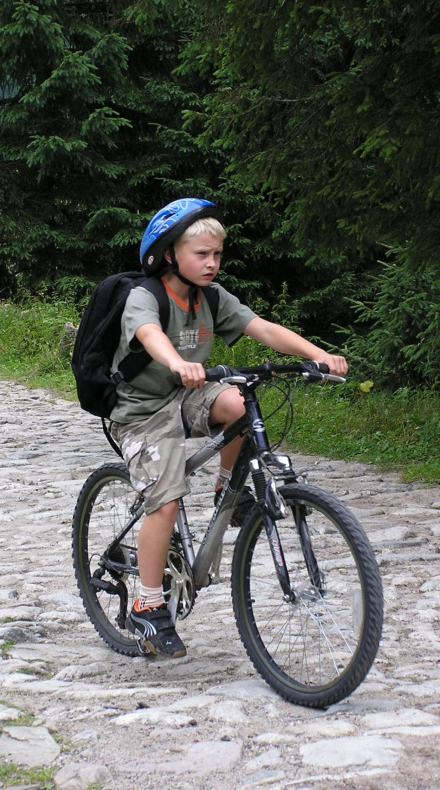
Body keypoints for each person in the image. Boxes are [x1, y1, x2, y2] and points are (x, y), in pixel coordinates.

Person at [108, 198, 348, 658]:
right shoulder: (147, 295)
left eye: (217, 254)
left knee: (239, 400)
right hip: (140, 412)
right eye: (201, 254)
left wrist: (316, 355)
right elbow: (148, 335)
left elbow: (264, 329)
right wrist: (178, 362)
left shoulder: (212, 298)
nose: (212, 263)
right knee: (166, 499)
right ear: (170, 254)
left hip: (187, 396)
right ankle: (148, 603)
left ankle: (228, 491)